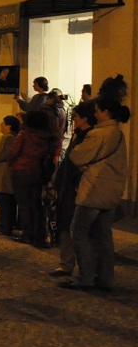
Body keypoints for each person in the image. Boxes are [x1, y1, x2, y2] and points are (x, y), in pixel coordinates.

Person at [62, 76, 130, 292]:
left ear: (106, 112)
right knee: (104, 236)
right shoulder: (118, 133)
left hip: (94, 189)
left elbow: (77, 156)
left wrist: (82, 161)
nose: (96, 114)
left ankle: (85, 277)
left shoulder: (98, 134)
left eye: (98, 111)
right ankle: (106, 278)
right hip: (111, 190)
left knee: (79, 231)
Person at [49, 103, 91, 278]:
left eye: (76, 117)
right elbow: (68, 163)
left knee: (78, 229)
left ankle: (81, 268)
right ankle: (65, 264)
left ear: (85, 118)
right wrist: (58, 184)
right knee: (65, 225)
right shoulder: (78, 134)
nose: (73, 120)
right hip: (67, 187)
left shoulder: (90, 137)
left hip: (78, 189)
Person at [7, 109, 59, 247]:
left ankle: (27, 234)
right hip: (37, 172)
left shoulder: (24, 135)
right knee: (36, 204)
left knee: (24, 204)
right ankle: (38, 235)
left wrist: (11, 164)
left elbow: (13, 152)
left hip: (21, 171)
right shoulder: (48, 137)